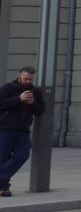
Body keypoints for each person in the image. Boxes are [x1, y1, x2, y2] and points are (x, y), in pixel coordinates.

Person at [0, 66, 45, 197]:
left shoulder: (35, 92)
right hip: (5, 129)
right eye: (26, 79)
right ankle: (4, 187)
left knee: (22, 155)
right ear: (19, 76)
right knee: (3, 158)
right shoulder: (8, 88)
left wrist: (32, 103)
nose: (28, 82)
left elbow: (40, 111)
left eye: (30, 79)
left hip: (23, 130)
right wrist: (18, 99)